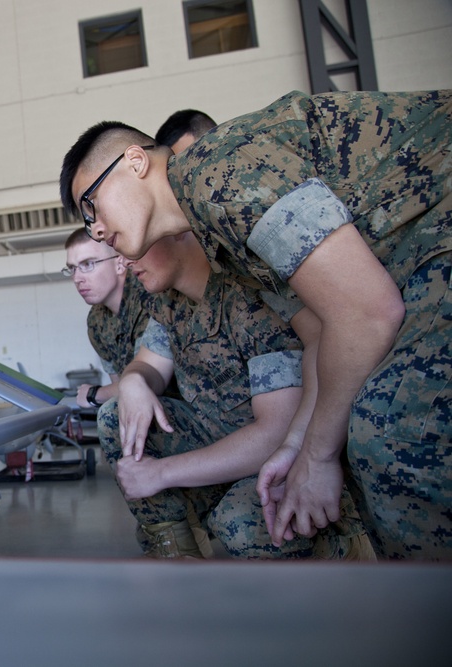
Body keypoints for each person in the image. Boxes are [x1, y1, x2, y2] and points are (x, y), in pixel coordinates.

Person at [60, 90, 452, 560]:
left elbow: (366, 313)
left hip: (434, 227)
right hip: (416, 249)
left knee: (390, 427)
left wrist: (317, 455)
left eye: (92, 205)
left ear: (136, 162)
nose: (96, 229)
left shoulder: (216, 174)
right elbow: (320, 334)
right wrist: (296, 446)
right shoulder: (218, 235)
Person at [100, 228, 371, 559]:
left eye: (134, 243)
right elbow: (149, 366)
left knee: (238, 524)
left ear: (176, 232)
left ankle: (339, 550)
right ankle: (174, 551)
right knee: (115, 413)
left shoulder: (249, 297)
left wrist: (161, 473)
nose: (125, 260)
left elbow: (277, 432)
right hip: (217, 446)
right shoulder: (170, 300)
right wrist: (133, 382)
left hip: (278, 459)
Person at [63, 228, 154, 409]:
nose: (77, 278)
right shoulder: (96, 321)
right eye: (72, 268)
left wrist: (94, 394)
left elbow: (147, 382)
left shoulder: (149, 297)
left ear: (119, 264)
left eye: (88, 264)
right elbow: (118, 385)